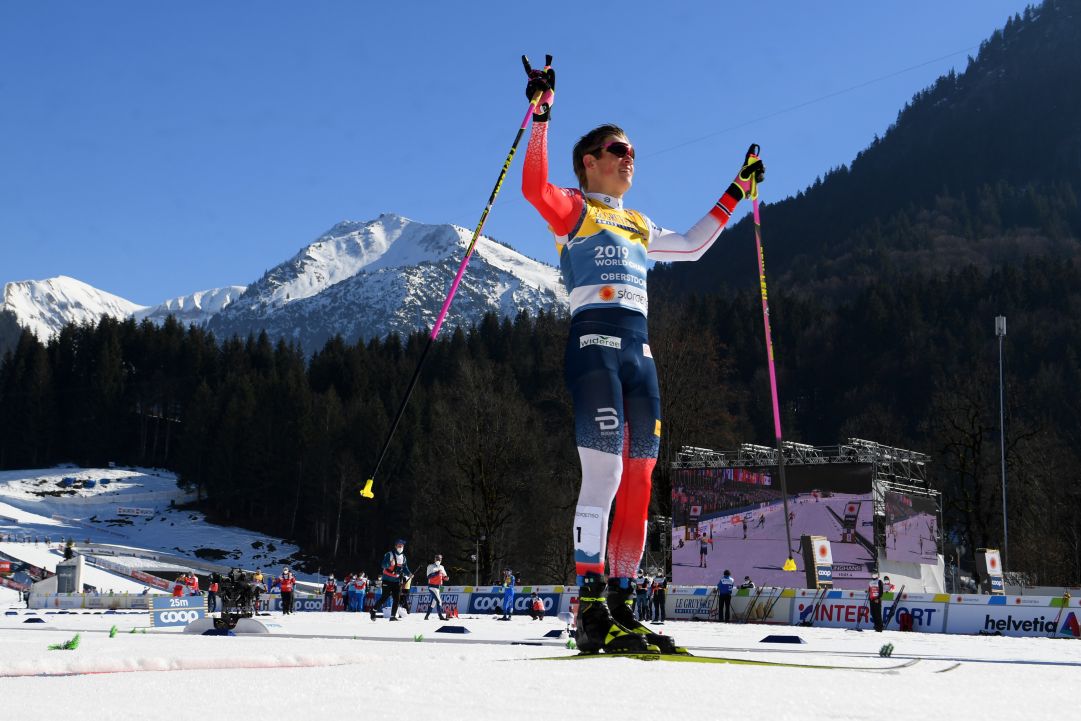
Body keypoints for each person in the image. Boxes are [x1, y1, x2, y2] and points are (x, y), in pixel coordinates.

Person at [522, 57, 763, 655]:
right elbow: (532, 188)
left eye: (632, 149)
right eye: (616, 148)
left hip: (641, 356)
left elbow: (691, 245)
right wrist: (541, 115)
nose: (629, 156)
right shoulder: (575, 209)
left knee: (641, 479)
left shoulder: (636, 222)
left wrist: (739, 188)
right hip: (595, 347)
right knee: (602, 474)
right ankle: (592, 608)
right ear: (590, 161)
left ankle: (626, 604)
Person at [371, 539, 411, 621]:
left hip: (396, 581)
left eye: (402, 546)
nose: (400, 547)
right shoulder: (389, 554)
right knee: (384, 597)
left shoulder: (403, 557)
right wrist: (390, 563)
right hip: (387, 580)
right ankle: (373, 610)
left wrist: (409, 574)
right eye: (399, 546)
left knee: (397, 598)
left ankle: (393, 616)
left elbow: (404, 568)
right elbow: (383, 565)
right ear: (395, 546)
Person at [425, 554, 449, 621]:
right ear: (434, 559)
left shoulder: (442, 567)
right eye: (437, 558)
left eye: (440, 559)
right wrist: (436, 573)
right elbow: (428, 576)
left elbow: (444, 576)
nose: (438, 560)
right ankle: (440, 616)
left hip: (438, 587)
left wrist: (446, 578)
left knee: (433, 602)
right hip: (432, 586)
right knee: (439, 601)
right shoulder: (430, 566)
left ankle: (426, 616)